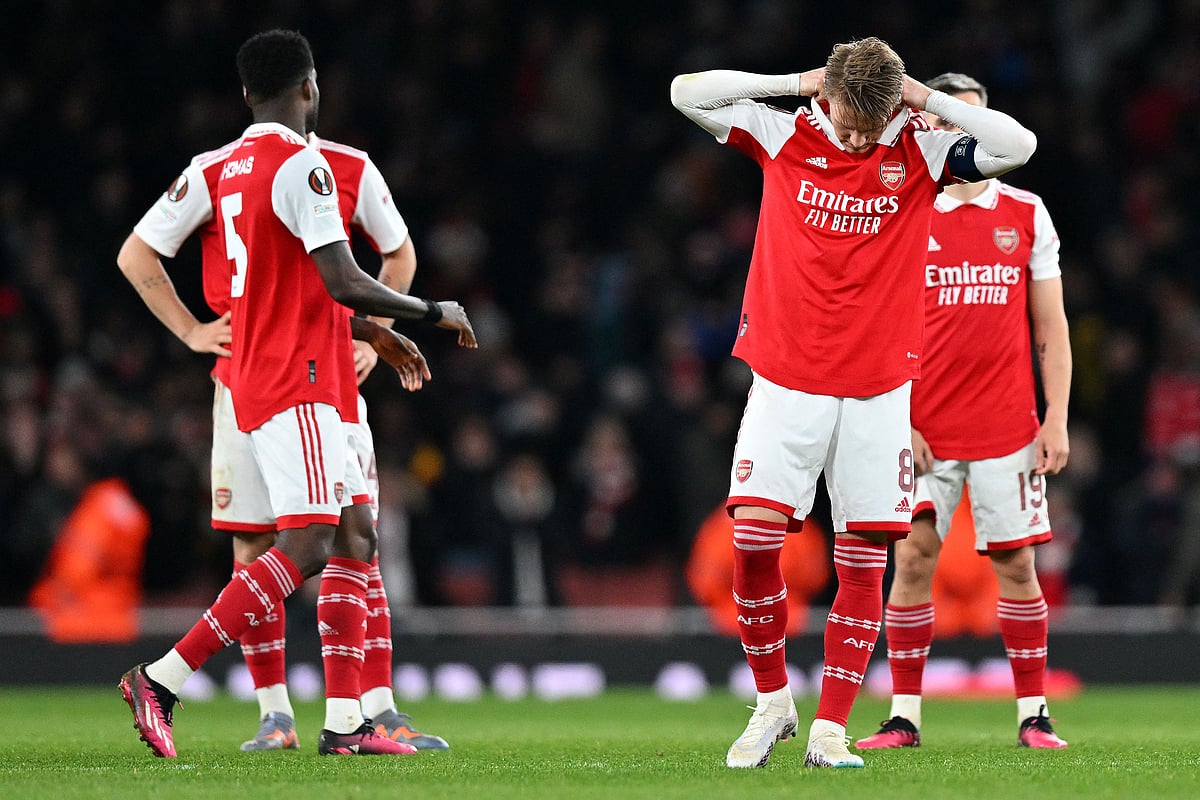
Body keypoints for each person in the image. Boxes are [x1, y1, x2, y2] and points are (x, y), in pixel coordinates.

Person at [670, 37, 1037, 769]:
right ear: (826, 97)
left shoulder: (923, 152)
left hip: (878, 391)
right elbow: (686, 90)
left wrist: (921, 98)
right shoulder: (784, 130)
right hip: (785, 377)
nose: (860, 137)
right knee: (752, 542)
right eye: (849, 120)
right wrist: (796, 80)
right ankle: (773, 701)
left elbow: (1019, 145)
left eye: (874, 123)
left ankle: (830, 731)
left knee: (864, 560)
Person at [118, 29, 477, 758]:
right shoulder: (307, 165)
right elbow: (341, 276)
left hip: (257, 368)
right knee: (311, 542)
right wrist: (432, 312)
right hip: (301, 376)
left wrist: (369, 333)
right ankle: (165, 676)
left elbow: (298, 284)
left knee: (354, 535)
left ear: (246, 94)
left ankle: (348, 723)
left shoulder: (229, 167)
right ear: (309, 88)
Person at [854, 72, 1071, 752]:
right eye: (952, 121)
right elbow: (876, 328)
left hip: (1007, 423)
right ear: (932, 128)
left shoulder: (1027, 213)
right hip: (925, 428)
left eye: (975, 118)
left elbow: (1051, 328)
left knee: (1016, 567)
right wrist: (899, 419)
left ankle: (1034, 716)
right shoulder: (905, 210)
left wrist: (1057, 416)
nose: (964, 130)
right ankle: (905, 717)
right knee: (913, 560)